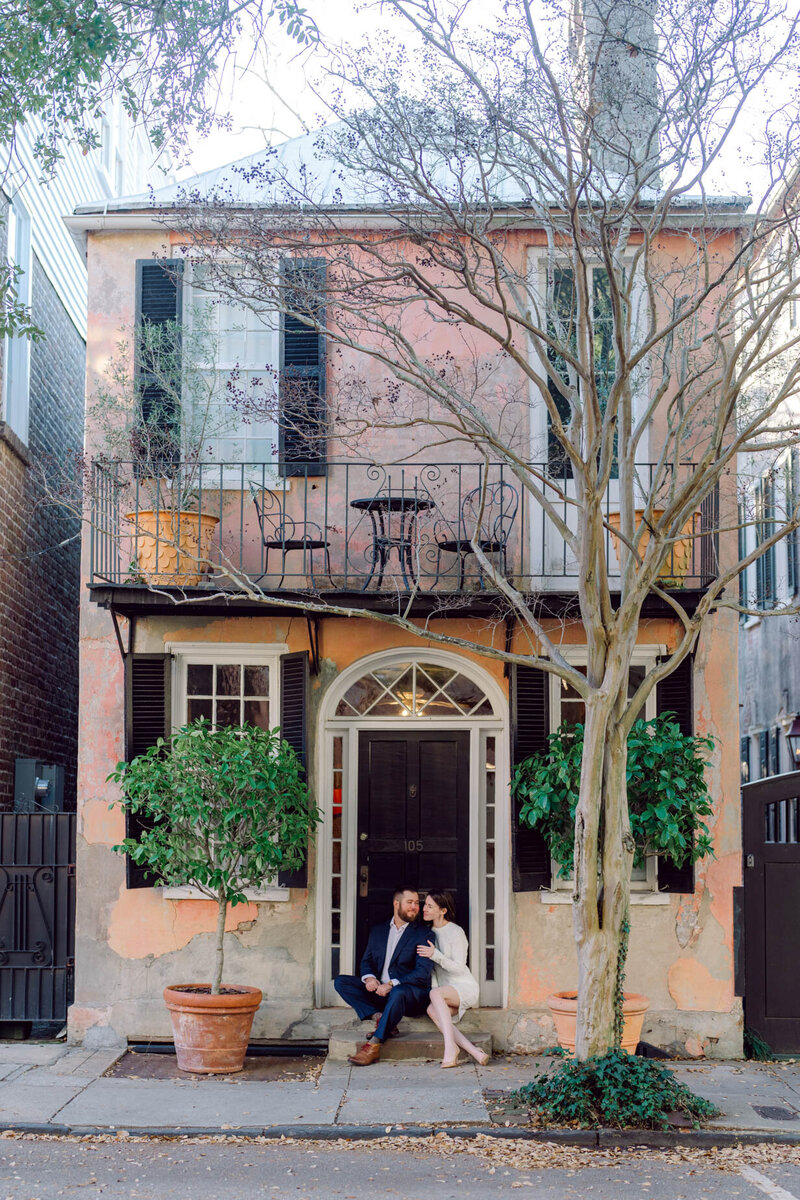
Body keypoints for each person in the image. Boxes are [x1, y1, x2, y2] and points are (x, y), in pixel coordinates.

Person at [333, 886, 433, 1066]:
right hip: (381, 993)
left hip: (409, 995)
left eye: (417, 903)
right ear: (396, 904)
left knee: (399, 991)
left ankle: (373, 1046)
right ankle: (380, 1017)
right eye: (409, 902)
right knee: (341, 982)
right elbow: (366, 961)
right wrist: (370, 978)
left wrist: (392, 984)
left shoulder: (423, 933)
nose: (415, 907)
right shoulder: (378, 930)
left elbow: (423, 973)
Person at [417, 889, 488, 1068]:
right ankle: (474, 1051)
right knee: (432, 1010)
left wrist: (436, 955)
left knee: (436, 995)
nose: (424, 908)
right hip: (443, 992)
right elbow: (432, 971)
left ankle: (450, 1048)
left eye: (430, 906)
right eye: (425, 904)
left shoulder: (456, 932)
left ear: (443, 911)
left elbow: (458, 968)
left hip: (464, 988)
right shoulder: (426, 933)